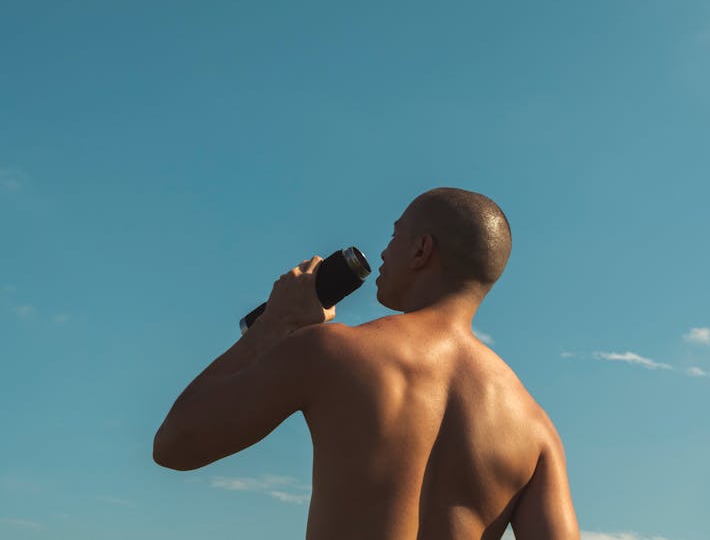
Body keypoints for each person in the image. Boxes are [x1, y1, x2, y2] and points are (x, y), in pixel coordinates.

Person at [153, 187, 580, 539]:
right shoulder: (535, 428)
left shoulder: (333, 350)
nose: (382, 253)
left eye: (394, 237)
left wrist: (275, 325)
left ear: (421, 250)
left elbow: (175, 444)